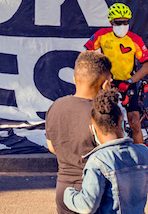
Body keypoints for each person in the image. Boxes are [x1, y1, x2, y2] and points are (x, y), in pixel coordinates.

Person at [64, 88, 148, 213]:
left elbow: (87, 205)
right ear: (122, 123)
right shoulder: (144, 152)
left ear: (93, 130)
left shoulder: (97, 161)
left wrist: (68, 194)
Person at [46, 51, 113, 214]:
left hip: (63, 191)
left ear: (75, 79)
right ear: (105, 85)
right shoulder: (101, 113)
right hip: (94, 191)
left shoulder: (55, 106)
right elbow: (113, 153)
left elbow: (52, 147)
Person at [85, 2, 148, 144]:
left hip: (128, 83)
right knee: (107, 122)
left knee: (134, 122)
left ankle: (142, 157)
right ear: (111, 22)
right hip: (107, 84)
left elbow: (146, 67)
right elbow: (86, 56)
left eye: (125, 22)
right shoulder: (102, 35)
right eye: (118, 22)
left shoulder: (135, 39)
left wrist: (130, 81)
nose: (122, 25)